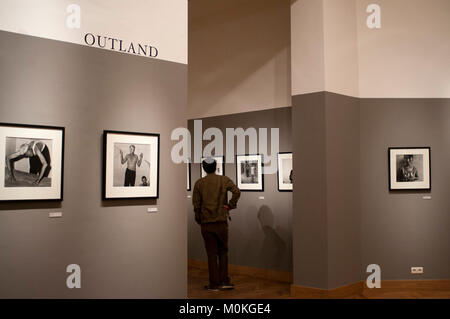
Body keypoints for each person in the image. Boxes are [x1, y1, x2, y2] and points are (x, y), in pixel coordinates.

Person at [193, 158, 241, 291]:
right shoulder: (224, 180)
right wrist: (229, 206)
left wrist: (199, 219)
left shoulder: (199, 183)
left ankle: (214, 284)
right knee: (223, 252)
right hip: (221, 222)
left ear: (203, 168)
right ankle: (224, 281)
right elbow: (237, 192)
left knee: (211, 254)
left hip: (207, 223)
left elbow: (196, 205)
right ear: (215, 167)